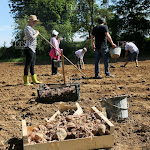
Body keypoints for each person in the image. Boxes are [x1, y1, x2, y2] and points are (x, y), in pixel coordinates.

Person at [23, 15, 42, 85]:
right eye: (33, 21)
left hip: (33, 49)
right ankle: (26, 81)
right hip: (29, 48)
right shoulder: (28, 28)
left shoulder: (31, 28)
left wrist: (35, 32)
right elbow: (31, 38)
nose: (34, 23)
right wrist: (37, 33)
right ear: (30, 21)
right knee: (27, 65)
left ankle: (34, 80)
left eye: (35, 21)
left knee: (32, 65)